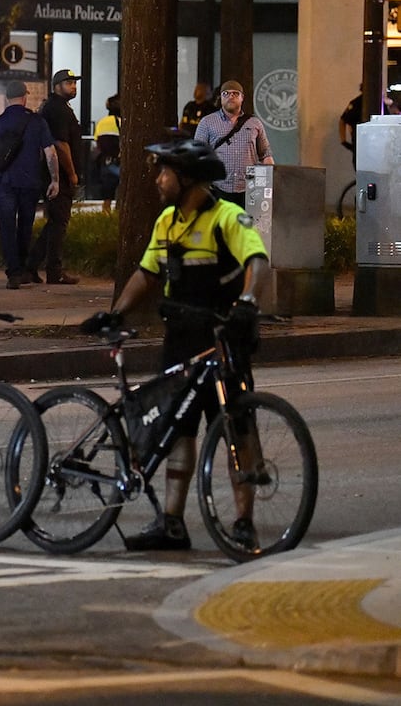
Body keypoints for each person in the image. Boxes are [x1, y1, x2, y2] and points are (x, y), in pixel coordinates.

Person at [81, 138, 268, 551]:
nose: (157, 179)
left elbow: (257, 261)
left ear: (188, 179)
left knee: (238, 427)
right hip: (180, 340)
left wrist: (248, 302)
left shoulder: (227, 217)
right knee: (178, 430)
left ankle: (243, 521)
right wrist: (117, 312)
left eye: (164, 172)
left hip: (223, 338)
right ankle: (171, 522)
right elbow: (147, 273)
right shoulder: (167, 221)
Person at [0, 81, 59, 290]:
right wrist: (55, 180)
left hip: (5, 183)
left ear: (7, 98)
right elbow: (51, 153)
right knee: (25, 225)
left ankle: (13, 272)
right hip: (30, 182)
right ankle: (23, 268)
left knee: (6, 227)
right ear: (24, 97)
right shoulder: (37, 122)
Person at [26, 68, 82, 285]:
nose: (73, 86)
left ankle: (31, 266)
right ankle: (54, 271)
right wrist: (72, 173)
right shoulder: (58, 109)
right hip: (57, 175)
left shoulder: (57, 107)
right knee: (60, 222)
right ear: (57, 86)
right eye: (69, 83)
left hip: (52, 174)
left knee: (56, 221)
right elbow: (60, 144)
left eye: (75, 83)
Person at [193, 79, 273, 207]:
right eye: (226, 93)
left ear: (242, 98)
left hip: (250, 190)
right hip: (218, 188)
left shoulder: (254, 123)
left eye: (235, 93)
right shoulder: (207, 122)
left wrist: (269, 182)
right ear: (221, 98)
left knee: (246, 226)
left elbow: (266, 154)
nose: (231, 96)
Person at [89, 95, 121, 209]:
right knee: (121, 195)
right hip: (119, 162)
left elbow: (97, 142)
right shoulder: (123, 122)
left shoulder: (101, 122)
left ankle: (106, 216)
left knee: (107, 197)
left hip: (105, 163)